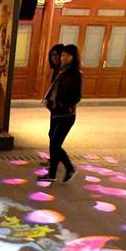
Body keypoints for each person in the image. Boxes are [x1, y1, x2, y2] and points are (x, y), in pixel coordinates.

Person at [39, 44, 82, 183]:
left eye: (67, 55)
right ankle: (52, 174)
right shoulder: (61, 71)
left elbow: (77, 96)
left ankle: (69, 168)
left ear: (74, 57)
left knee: (55, 143)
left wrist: (63, 103)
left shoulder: (75, 74)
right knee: (53, 141)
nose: (64, 58)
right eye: (63, 55)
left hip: (66, 115)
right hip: (56, 112)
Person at [40, 44, 65, 168]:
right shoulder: (56, 70)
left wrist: (61, 103)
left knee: (55, 136)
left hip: (63, 110)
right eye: (52, 55)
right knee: (52, 134)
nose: (54, 58)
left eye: (57, 55)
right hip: (54, 108)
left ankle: (62, 163)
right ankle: (53, 159)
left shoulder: (65, 72)